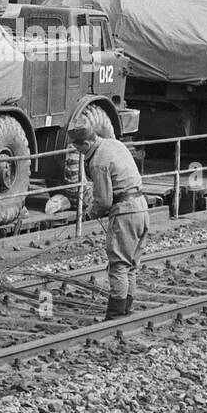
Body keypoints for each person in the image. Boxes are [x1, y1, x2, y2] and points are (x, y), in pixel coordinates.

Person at [68, 123, 149, 321]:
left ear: (87, 143)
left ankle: (114, 316)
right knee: (131, 264)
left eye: (79, 149)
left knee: (119, 265)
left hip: (125, 212)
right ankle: (126, 310)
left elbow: (103, 201)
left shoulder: (98, 161)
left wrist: (90, 213)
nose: (79, 153)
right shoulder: (114, 144)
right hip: (142, 207)